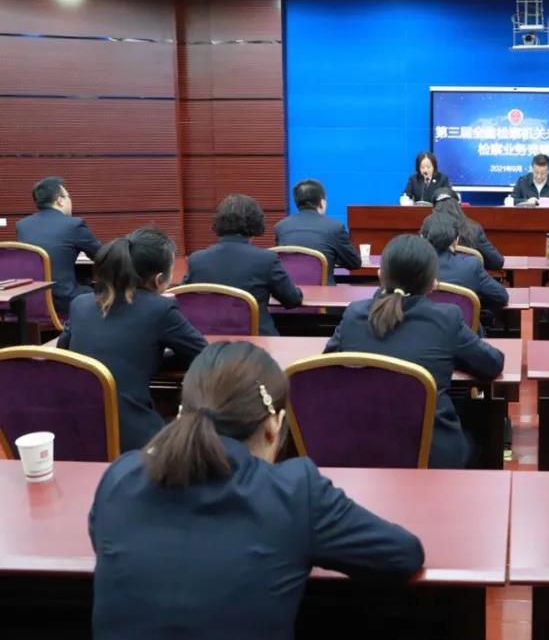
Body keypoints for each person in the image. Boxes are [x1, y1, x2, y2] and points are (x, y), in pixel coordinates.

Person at [90, 341, 424, 638]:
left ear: (180, 414)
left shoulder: (120, 477)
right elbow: (403, 556)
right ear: (275, 426)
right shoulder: (294, 493)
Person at [324, 234, 505, 468]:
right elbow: (492, 364)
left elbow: (327, 365)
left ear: (380, 275)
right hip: (429, 455)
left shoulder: (353, 315)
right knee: (486, 423)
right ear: (433, 282)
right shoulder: (446, 319)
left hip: (361, 448)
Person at [59, 227, 207, 452]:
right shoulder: (160, 309)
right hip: (131, 437)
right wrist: (157, 357)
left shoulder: (80, 304)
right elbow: (203, 353)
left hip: (74, 431)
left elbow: (64, 349)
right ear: (159, 280)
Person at [184, 194, 304, 336]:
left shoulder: (197, 260)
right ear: (256, 221)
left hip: (209, 340)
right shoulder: (266, 259)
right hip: (256, 341)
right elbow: (292, 300)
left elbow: (183, 299)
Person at [15, 176, 102, 316]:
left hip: (28, 302)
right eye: (68, 197)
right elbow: (102, 255)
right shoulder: (73, 225)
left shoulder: (22, 226)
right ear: (60, 201)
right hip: (64, 301)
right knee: (100, 291)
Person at [274, 179, 362, 284]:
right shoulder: (335, 227)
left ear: (297, 203)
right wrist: (332, 256)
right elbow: (354, 263)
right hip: (323, 293)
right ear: (322, 202)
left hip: (289, 292)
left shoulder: (281, 227)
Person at [420, 212, 509, 311]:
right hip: (461, 320)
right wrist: (472, 299)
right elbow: (501, 297)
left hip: (417, 321)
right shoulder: (471, 266)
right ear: (456, 240)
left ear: (422, 237)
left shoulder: (411, 266)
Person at [431, 187, 504, 271]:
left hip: (436, 277)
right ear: (459, 206)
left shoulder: (428, 230)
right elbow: (496, 262)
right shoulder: (473, 229)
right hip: (468, 277)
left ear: (433, 209)